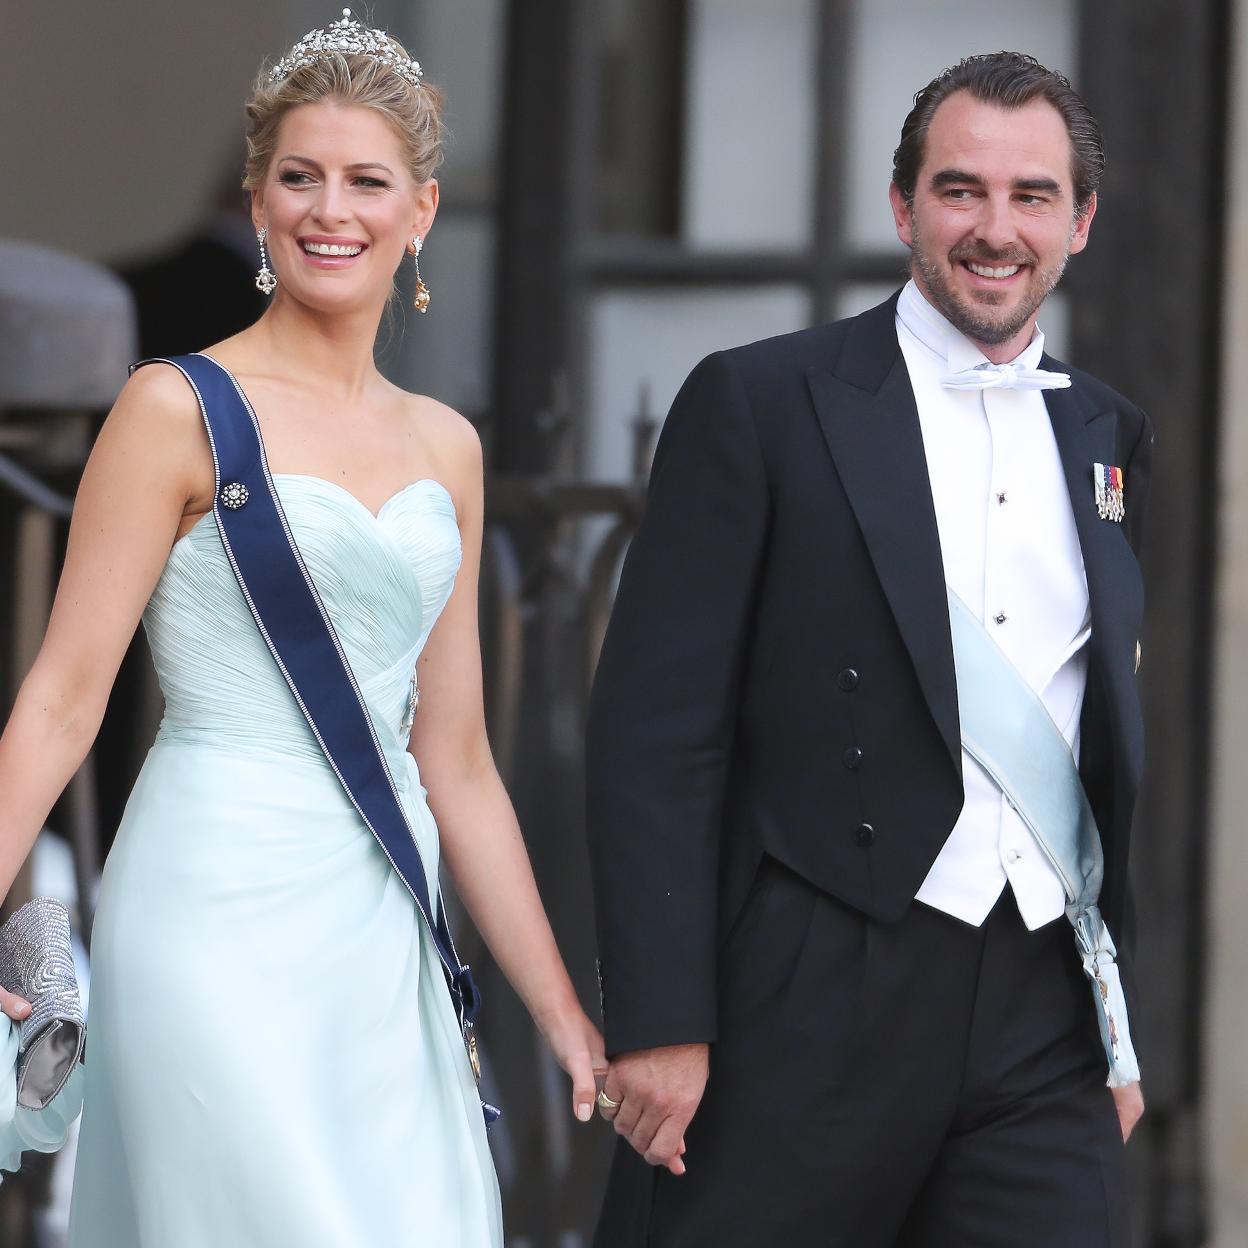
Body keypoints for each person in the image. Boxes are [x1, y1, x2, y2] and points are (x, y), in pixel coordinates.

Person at [0, 11, 604, 1245]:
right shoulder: (172, 408)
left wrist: (560, 1013)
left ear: (420, 210)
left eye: (368, 181)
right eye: (301, 178)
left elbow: (462, 763)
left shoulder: (450, 445)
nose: (334, 209)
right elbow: (63, 702)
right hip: (209, 909)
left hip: (385, 932)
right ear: (260, 203)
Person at [587, 52, 1150, 1247]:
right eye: (961, 191)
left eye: (1033, 197)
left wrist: (1114, 1018)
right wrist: (660, 1017)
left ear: (1081, 223)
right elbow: (655, 733)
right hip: (814, 975)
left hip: (1039, 1002)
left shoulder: (1106, 434)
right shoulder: (762, 403)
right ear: (903, 208)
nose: (995, 229)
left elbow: (1097, 733)